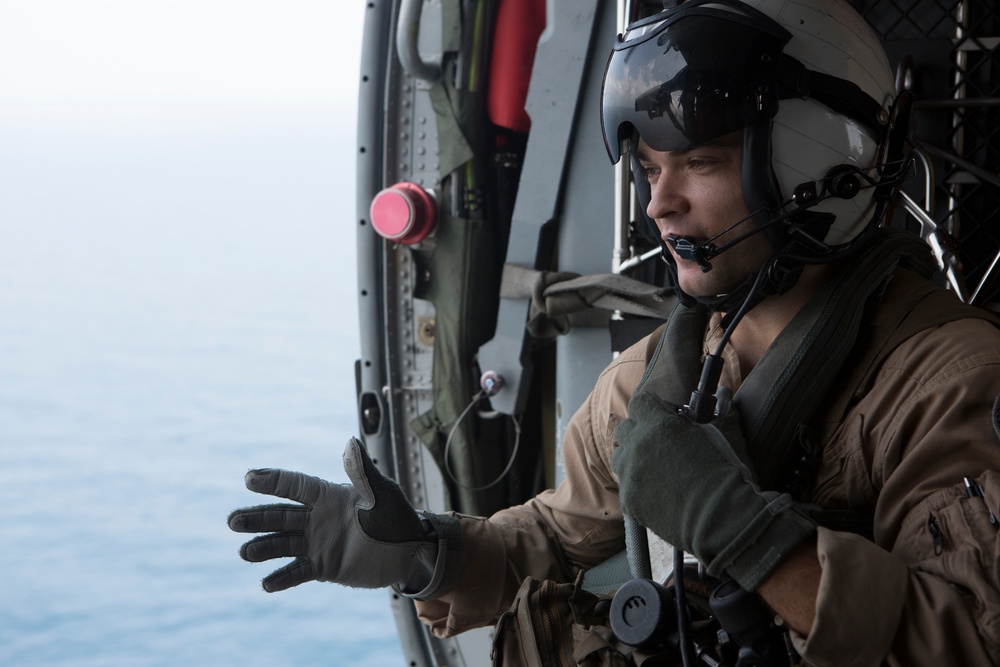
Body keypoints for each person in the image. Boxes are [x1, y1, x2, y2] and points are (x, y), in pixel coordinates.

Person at [228, 0, 1000, 664]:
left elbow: (968, 639)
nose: (661, 204)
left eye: (698, 161)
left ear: (825, 163)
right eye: (652, 171)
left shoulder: (949, 383)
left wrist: (749, 538)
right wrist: (428, 555)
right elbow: (557, 537)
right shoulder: (652, 380)